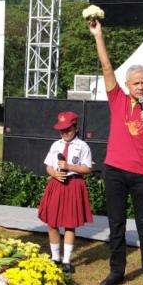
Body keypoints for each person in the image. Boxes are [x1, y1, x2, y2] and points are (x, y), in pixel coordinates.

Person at [89, 20, 143, 285]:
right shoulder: (118, 100)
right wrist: (99, 35)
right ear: (127, 84)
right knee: (116, 224)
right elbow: (107, 68)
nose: (141, 87)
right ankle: (116, 271)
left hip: (142, 174)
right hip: (115, 171)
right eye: (136, 83)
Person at [37, 111, 93, 273]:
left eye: (68, 129)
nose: (65, 133)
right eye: (61, 130)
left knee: (70, 223)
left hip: (73, 185)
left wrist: (69, 167)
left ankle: (67, 260)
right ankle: (55, 257)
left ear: (76, 128)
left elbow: (87, 168)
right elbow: (48, 165)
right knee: (52, 222)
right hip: (56, 184)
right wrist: (54, 173)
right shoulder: (56, 145)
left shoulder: (82, 146)